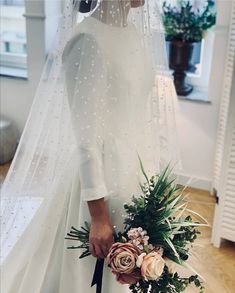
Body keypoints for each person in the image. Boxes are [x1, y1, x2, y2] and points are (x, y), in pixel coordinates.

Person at [1, 1, 179, 292]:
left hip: (134, 174)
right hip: (103, 183)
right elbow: (86, 137)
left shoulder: (132, 31)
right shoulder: (88, 39)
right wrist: (98, 215)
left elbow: (140, 114)